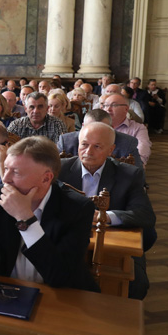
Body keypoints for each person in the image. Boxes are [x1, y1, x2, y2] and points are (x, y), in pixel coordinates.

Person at [0, 136, 99, 292]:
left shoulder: (78, 208)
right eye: (6, 168)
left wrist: (25, 218)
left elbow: (60, 276)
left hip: (59, 297)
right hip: (5, 289)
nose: (5, 179)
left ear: (46, 178)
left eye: (16, 172)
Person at [58, 122, 155, 300]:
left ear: (111, 150)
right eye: (84, 145)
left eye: (97, 146)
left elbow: (145, 214)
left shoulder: (129, 174)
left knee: (136, 285)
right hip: (68, 240)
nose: (88, 151)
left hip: (115, 244)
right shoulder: (60, 169)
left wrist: (104, 217)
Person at [57, 109, 143, 171]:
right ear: (82, 126)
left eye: (102, 129)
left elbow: (137, 176)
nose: (89, 152)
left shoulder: (128, 143)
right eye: (90, 128)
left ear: (112, 128)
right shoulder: (66, 141)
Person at [102, 93, 151, 166]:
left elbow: (143, 148)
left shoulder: (138, 128)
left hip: (124, 168)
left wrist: (137, 164)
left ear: (126, 109)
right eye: (106, 105)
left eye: (114, 105)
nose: (108, 109)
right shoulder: (96, 125)